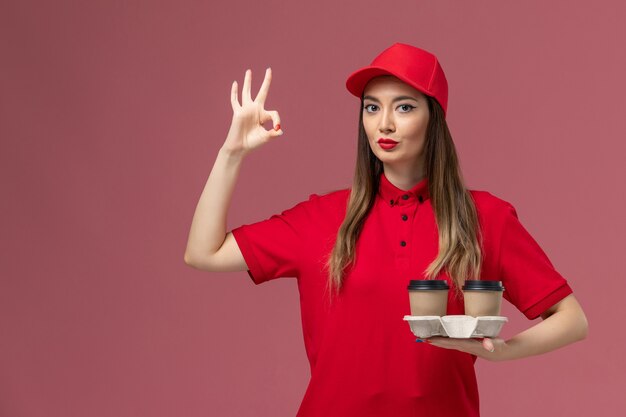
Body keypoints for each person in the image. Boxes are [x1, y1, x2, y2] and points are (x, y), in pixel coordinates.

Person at [183, 42, 589, 417]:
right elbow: (204, 253)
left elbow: (572, 320)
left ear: (435, 116)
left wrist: (503, 352)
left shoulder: (485, 217)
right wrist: (231, 153)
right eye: (372, 108)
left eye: (405, 107)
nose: (385, 124)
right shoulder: (321, 217)